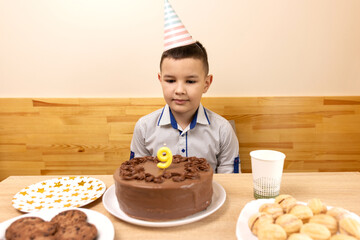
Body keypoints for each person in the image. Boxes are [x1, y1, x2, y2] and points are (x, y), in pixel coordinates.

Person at [130, 41, 240, 173]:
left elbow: (230, 181)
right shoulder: (144, 128)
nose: (180, 90)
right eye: (170, 80)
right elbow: (137, 177)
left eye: (190, 81)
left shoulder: (222, 130)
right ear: (160, 80)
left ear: (206, 83)